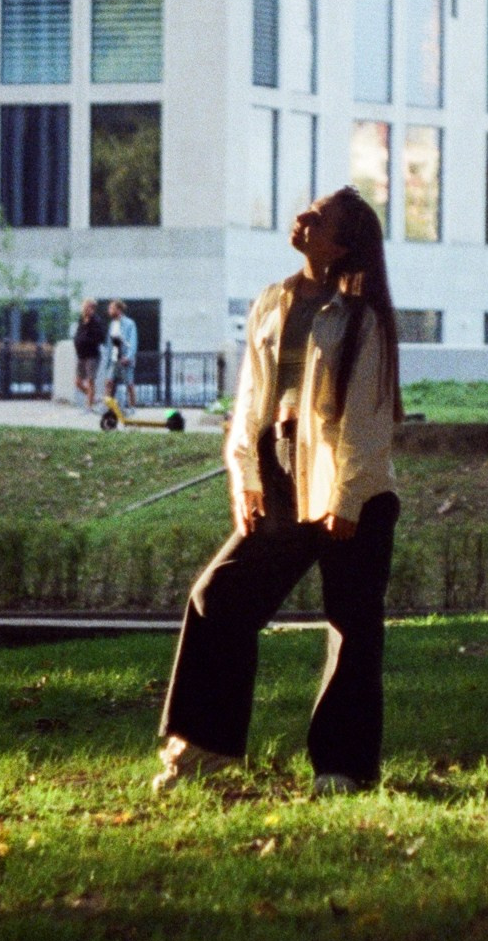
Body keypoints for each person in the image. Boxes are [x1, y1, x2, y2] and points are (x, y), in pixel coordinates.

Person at [154, 186, 401, 797]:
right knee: (218, 597)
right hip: (283, 474)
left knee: (351, 624)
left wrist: (346, 500)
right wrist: (245, 474)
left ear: (341, 243)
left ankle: (342, 770)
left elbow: (367, 417)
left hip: (352, 485)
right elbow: (249, 403)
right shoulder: (272, 301)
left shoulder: (361, 318)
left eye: (318, 218)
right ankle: (205, 751)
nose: (302, 218)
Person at [102, 297, 139, 414]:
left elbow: (133, 341)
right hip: (114, 358)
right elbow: (109, 343)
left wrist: (128, 357)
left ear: (118, 310)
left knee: (129, 384)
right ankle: (109, 408)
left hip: (125, 359)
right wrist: (107, 362)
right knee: (109, 383)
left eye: (111, 308)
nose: (109, 310)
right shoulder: (112, 324)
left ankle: (132, 408)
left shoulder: (129, 323)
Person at [72, 297, 107, 410]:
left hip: (92, 355)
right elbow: (78, 334)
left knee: (90, 380)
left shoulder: (96, 321)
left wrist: (87, 340)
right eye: (84, 307)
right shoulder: (81, 320)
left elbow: (101, 338)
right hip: (81, 355)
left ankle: (89, 406)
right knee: (78, 382)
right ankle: (93, 398)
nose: (85, 309)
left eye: (88, 307)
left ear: (92, 308)